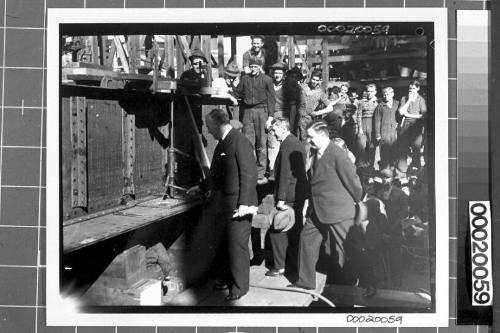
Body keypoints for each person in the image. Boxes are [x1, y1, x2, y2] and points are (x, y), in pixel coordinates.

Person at [292, 121, 363, 290]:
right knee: (306, 239)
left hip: (338, 211)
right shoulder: (316, 153)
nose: (308, 140)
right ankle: (305, 282)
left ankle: (347, 284)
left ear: (323, 135)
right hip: (318, 209)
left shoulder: (338, 154)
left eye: (311, 136)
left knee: (341, 250)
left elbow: (354, 183)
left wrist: (356, 200)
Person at [203, 108, 258, 301]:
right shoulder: (223, 143)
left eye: (209, 127)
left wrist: (244, 204)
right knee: (226, 244)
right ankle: (227, 279)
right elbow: (215, 173)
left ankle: (240, 287)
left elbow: (250, 175)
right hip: (227, 203)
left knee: (237, 246)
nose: (208, 131)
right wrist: (200, 187)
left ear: (218, 124)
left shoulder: (240, 141)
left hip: (239, 205)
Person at [265, 117, 307, 279]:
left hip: (288, 194)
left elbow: (285, 173)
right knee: (293, 230)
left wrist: (280, 198)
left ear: (283, 128)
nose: (273, 134)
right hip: (296, 193)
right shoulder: (294, 142)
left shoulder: (288, 144)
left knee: (278, 229)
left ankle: (280, 266)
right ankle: (291, 264)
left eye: (274, 130)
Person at [231, 57, 275, 183]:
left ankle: (260, 172)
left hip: (262, 111)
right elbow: (238, 93)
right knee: (247, 140)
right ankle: (248, 169)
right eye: (251, 67)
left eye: (255, 66)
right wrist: (232, 88)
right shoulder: (245, 79)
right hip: (247, 112)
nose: (253, 69)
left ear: (259, 67)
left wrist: (270, 117)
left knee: (261, 142)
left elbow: (272, 99)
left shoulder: (267, 80)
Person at [396, 80, 427, 177]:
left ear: (418, 88)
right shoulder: (404, 98)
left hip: (416, 126)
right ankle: (402, 170)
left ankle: (415, 168)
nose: (412, 90)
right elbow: (401, 112)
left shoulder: (421, 99)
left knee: (416, 148)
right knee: (403, 147)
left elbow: (424, 115)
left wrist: (409, 115)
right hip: (405, 125)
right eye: (410, 88)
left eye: (414, 88)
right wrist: (409, 100)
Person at [179, 49, 209, 142]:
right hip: (188, 110)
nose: (198, 66)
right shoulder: (186, 74)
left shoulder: (206, 75)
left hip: (200, 111)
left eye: (200, 63)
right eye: (195, 64)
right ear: (192, 64)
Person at [297, 69, 332, 141]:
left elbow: (330, 107)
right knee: (296, 141)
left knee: (306, 141)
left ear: (319, 81)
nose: (314, 81)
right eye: (313, 79)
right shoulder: (303, 87)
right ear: (310, 78)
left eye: (316, 80)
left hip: (308, 120)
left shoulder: (320, 93)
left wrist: (317, 113)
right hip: (297, 118)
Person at [267, 61, 288, 180]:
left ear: (284, 74)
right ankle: (272, 170)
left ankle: (283, 170)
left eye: (280, 73)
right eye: (275, 73)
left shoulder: (287, 87)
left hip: (284, 118)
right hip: (271, 117)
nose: (277, 75)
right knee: (272, 145)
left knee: (283, 144)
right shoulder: (269, 85)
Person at [373, 87, 400, 177]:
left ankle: (393, 171)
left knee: (394, 151)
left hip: (394, 132)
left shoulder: (397, 104)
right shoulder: (380, 106)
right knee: (385, 152)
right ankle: (385, 172)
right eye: (384, 94)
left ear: (392, 94)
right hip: (384, 133)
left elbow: (400, 116)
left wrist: (398, 124)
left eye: (388, 94)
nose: (386, 96)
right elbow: (377, 121)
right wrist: (378, 135)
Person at [356, 83, 378, 168]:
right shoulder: (361, 102)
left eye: (372, 91)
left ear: (375, 92)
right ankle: (361, 164)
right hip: (363, 123)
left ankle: (370, 164)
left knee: (371, 145)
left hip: (373, 124)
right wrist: (360, 128)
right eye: (368, 91)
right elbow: (359, 115)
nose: (370, 93)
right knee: (361, 145)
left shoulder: (378, 102)